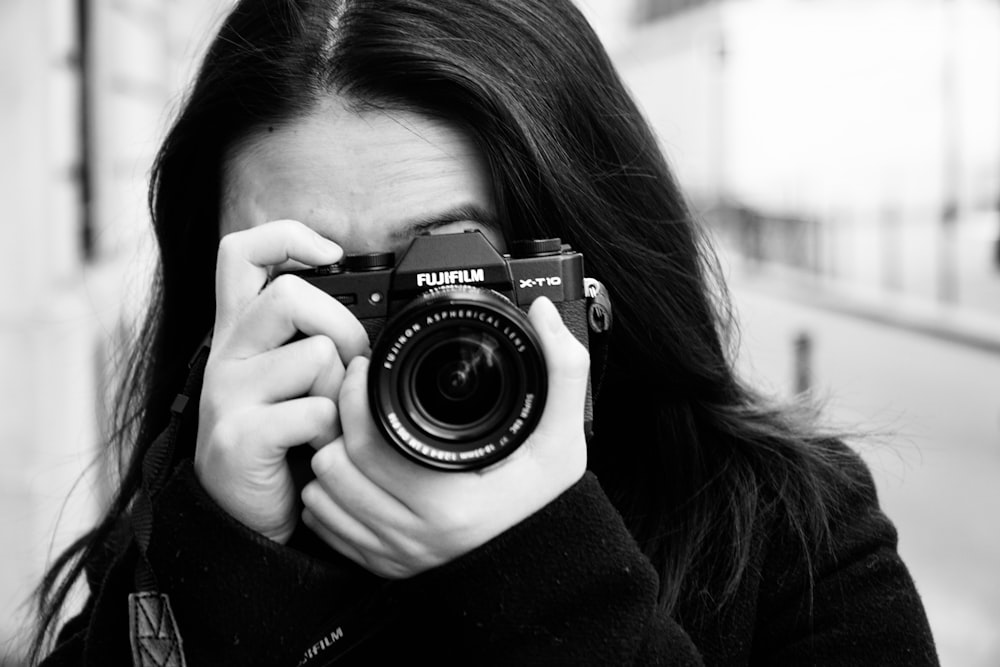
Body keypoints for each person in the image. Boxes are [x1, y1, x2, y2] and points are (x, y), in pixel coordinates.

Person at [31, 0, 939, 665]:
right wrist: (217, 563)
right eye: (317, 278)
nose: (402, 342)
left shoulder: (788, 532)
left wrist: (544, 572)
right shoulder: (195, 520)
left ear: (584, 275)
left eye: (450, 270)